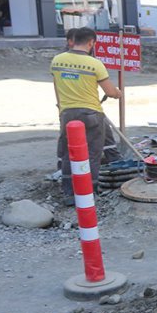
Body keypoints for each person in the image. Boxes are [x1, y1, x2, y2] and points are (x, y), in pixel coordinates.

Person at [50, 28, 122, 205]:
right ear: (91, 43)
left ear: (73, 41)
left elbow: (56, 87)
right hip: (91, 114)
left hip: (67, 113)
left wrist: (61, 108)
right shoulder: (94, 64)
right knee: (92, 154)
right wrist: (117, 93)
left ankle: (69, 193)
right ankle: (89, 193)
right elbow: (110, 91)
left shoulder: (57, 60)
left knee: (69, 153)